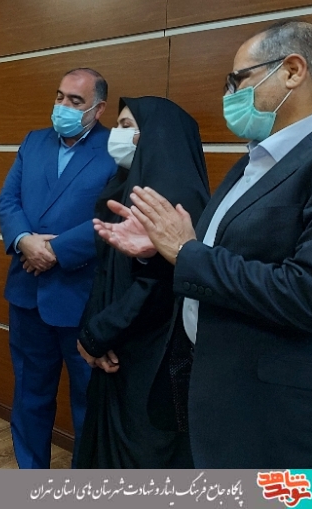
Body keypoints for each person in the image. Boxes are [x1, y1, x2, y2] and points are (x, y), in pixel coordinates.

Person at [95, 20, 312, 468]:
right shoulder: (254, 160)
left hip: (286, 422)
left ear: (292, 71)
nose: (229, 95)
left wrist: (185, 252)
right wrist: (162, 251)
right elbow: (224, 259)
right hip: (221, 397)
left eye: (238, 79)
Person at [75, 97, 209, 469]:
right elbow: (106, 274)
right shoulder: (124, 186)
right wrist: (94, 334)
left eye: (126, 126)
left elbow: (158, 287)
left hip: (151, 357)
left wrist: (99, 334)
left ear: (157, 136)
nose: (115, 135)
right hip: (116, 347)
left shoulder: (175, 198)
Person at [0, 68, 117, 468]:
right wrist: (24, 241)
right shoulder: (34, 141)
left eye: (75, 101)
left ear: (98, 108)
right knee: (29, 397)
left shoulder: (116, 149)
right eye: (60, 96)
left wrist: (56, 250)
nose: (63, 106)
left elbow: (115, 215)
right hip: (27, 295)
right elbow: (8, 201)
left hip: (81, 296)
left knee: (87, 401)